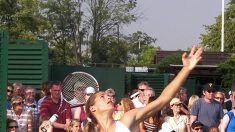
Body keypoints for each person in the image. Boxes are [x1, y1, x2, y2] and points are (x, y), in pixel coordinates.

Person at [84, 45, 203, 132]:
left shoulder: (128, 119)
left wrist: (186, 69)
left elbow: (163, 99)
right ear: (92, 108)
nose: (108, 97)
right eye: (102, 96)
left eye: (107, 95)